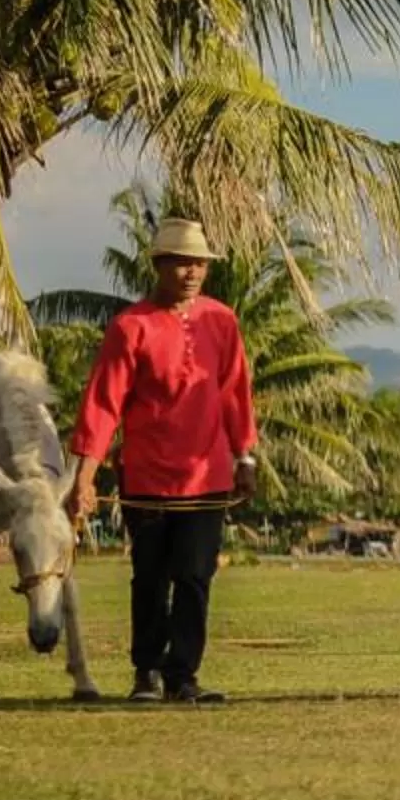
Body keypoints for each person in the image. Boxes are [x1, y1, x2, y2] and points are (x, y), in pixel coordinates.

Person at [64, 214, 258, 705]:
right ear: (159, 264)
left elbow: (235, 393)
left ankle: (183, 675)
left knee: (195, 576)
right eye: (180, 263)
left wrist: (246, 458)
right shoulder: (129, 327)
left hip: (208, 474)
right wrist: (85, 477)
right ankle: (145, 672)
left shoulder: (222, 320)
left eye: (198, 263)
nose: (191, 272)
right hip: (147, 475)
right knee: (150, 576)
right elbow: (104, 404)